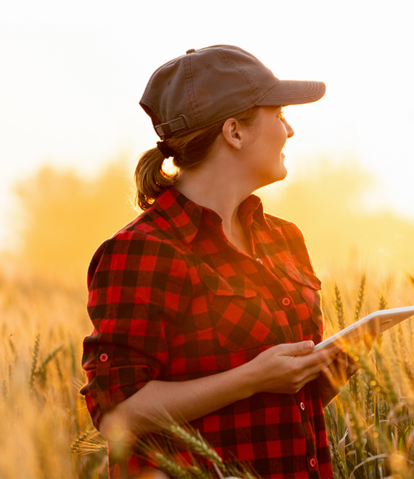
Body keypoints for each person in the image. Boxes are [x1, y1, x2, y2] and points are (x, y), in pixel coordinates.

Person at [81, 45, 359, 479]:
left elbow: (276, 407)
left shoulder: (284, 239)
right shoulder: (145, 250)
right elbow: (119, 416)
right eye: (279, 114)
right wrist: (253, 377)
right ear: (234, 132)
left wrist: (322, 373)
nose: (289, 130)